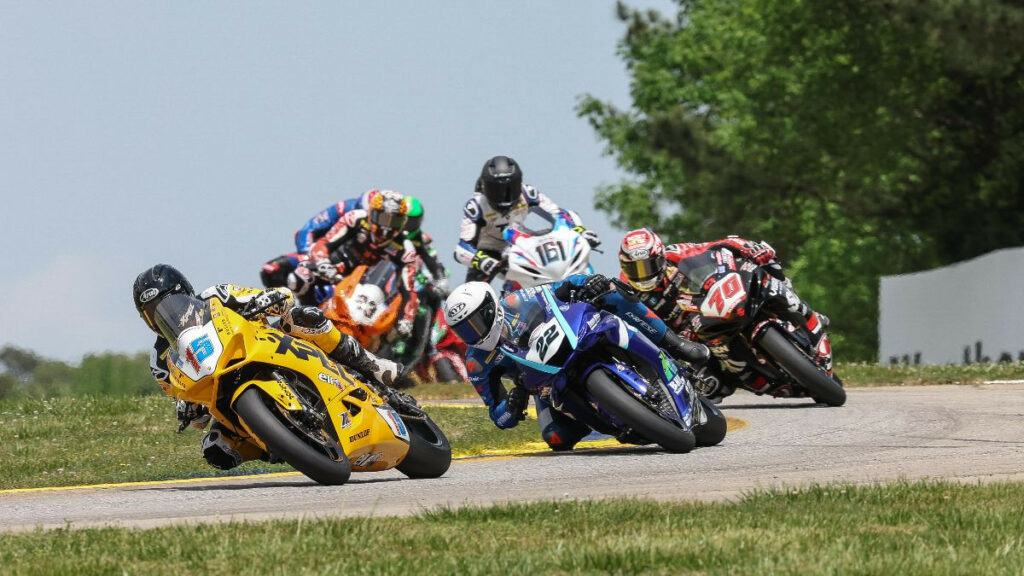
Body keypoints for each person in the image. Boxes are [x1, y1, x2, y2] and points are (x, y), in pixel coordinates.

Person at [133, 263, 413, 471]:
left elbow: (278, 298)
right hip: (225, 392)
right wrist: (186, 406)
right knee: (216, 449)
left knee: (304, 318)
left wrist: (267, 300)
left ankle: (371, 365)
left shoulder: (216, 296)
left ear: (184, 292)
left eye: (167, 302)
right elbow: (187, 405)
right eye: (151, 311)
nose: (161, 313)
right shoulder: (160, 360)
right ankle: (289, 445)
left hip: (265, 346)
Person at [442, 274, 709, 450]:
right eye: (464, 330)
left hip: (571, 336)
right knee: (557, 439)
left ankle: (674, 343)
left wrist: (585, 284)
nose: (473, 334)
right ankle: (616, 419)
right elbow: (497, 415)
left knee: (613, 290)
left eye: (475, 322)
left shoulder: (516, 300)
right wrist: (511, 406)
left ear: (492, 307)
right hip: (542, 382)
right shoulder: (477, 361)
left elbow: (559, 288)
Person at [616, 228, 829, 399]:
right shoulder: (625, 290)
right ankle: (767, 384)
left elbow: (716, 247)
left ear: (660, 257)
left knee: (768, 271)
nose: (643, 275)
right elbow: (637, 327)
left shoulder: (676, 254)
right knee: (712, 386)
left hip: (713, 305)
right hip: (690, 336)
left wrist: (747, 247)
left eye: (648, 266)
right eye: (635, 269)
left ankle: (809, 318)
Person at [290, 191, 421, 340]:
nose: (386, 228)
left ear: (403, 222)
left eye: (394, 222)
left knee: (397, 330)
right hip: (337, 272)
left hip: (368, 290)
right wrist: (323, 261)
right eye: (383, 218)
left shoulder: (406, 249)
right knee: (299, 276)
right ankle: (306, 317)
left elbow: (409, 290)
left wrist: (407, 318)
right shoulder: (356, 219)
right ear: (372, 214)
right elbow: (325, 242)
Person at [454, 155, 602, 283]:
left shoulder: (529, 194)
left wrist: (579, 231)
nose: (504, 195)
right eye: (496, 190)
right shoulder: (476, 206)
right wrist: (482, 261)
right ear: (485, 187)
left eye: (510, 188)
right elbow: (461, 249)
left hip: (522, 244)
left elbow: (559, 214)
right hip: (489, 252)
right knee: (473, 293)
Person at [260, 190, 375, 289]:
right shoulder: (344, 208)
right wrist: (308, 257)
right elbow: (308, 230)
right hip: (321, 254)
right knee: (271, 271)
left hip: (357, 267)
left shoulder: (385, 233)